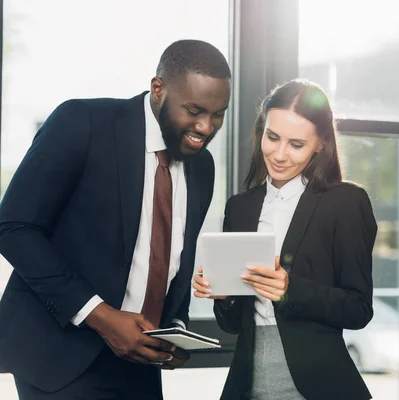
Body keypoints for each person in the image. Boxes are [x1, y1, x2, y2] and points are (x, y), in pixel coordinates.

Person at [0, 39, 231, 400]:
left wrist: (175, 328)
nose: (205, 127)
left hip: (141, 361)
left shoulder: (202, 166)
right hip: (60, 358)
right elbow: (13, 227)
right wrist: (101, 317)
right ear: (158, 89)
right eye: (194, 110)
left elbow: (173, 259)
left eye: (218, 114)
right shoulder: (83, 122)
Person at [194, 79, 377, 400]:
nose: (279, 155)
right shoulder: (240, 207)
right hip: (248, 381)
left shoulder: (346, 202)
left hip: (319, 384)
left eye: (296, 144)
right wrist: (223, 296)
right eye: (272, 137)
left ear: (320, 144)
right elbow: (236, 324)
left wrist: (289, 290)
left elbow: (358, 310)